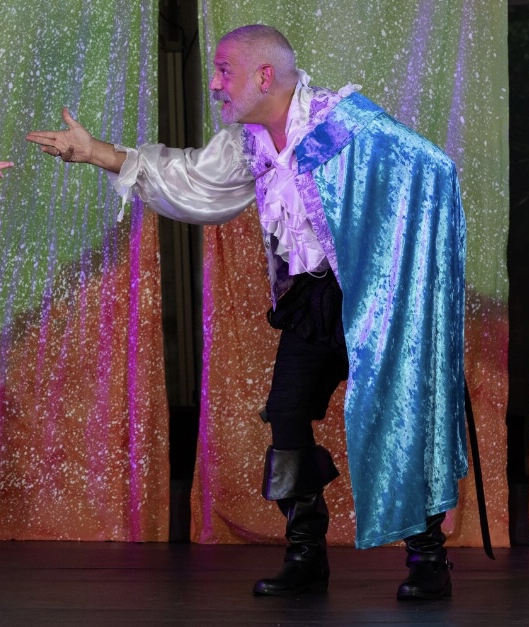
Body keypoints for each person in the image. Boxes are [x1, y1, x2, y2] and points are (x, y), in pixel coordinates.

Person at [26, 24, 467, 600]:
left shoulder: (345, 126)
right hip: (313, 300)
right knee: (287, 414)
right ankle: (306, 555)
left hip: (375, 297)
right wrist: (95, 154)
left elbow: (433, 169)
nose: (214, 85)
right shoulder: (251, 142)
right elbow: (192, 178)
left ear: (264, 75)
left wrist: (412, 272)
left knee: (395, 410)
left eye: (223, 71)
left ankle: (427, 559)